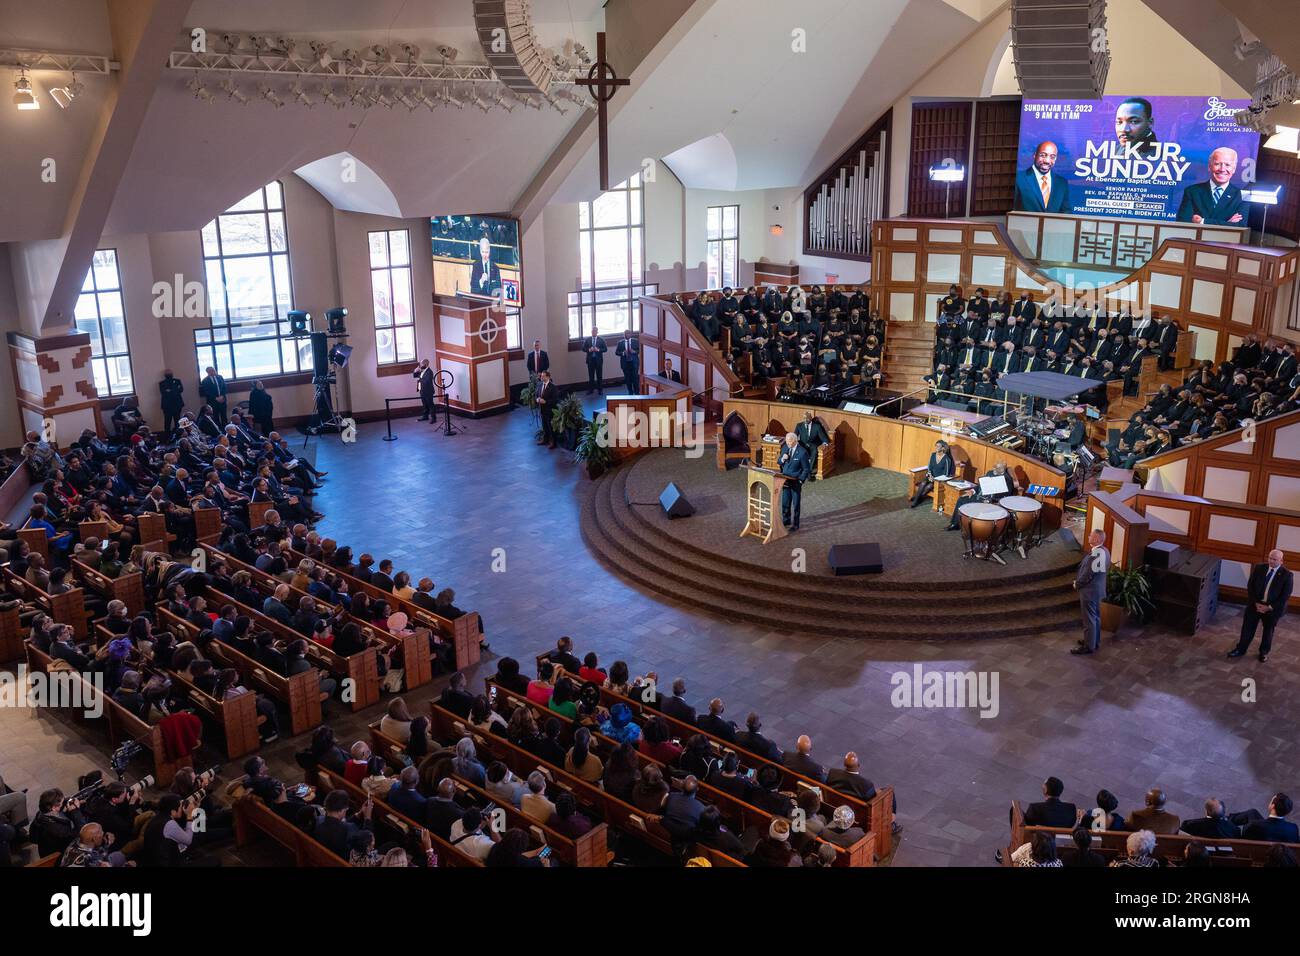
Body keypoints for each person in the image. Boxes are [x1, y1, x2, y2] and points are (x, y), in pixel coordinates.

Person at [1227, 549, 1292, 663]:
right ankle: (1241, 649)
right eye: (1270, 558)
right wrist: (1255, 603)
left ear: (1281, 561)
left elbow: (1285, 596)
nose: (1271, 561)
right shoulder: (1259, 568)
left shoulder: (1287, 575)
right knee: (1247, 629)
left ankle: (1263, 653)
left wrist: (1269, 607)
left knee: (1268, 631)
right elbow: (1250, 586)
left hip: (1272, 609)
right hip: (1255, 604)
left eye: (1274, 559)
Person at [1176, 146, 1244, 225]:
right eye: (1217, 164)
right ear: (1209, 167)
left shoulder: (1241, 195)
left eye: (1227, 165)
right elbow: (1182, 223)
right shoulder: (1192, 191)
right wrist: (1227, 223)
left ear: (1234, 169)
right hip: (1196, 237)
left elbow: (1240, 225)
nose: (1222, 169)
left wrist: (1202, 221)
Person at [1071, 528, 1109, 655]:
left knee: (1089, 619)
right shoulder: (1104, 551)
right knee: (1095, 618)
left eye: (1091, 535)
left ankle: (1089, 646)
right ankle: (1093, 641)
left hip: (1090, 591)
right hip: (1097, 591)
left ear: (1097, 539)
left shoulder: (1096, 554)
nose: (1088, 536)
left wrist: (1077, 584)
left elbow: (1088, 574)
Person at [1014, 140, 1070, 213]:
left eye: (1052, 157)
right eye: (1043, 155)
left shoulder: (1062, 183)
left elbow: (1066, 212)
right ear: (1035, 155)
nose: (1047, 161)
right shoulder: (1019, 178)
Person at [777, 431, 812, 532]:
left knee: (796, 504)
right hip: (785, 480)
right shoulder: (785, 448)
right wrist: (782, 459)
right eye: (787, 442)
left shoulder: (802, 452)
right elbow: (779, 462)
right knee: (785, 503)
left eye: (789, 442)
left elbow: (806, 469)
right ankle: (786, 520)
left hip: (796, 482)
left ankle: (796, 524)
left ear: (795, 441)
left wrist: (801, 480)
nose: (788, 444)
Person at [910, 440, 953, 508]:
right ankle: (917, 499)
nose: (936, 447)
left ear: (943, 448)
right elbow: (929, 467)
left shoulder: (947, 459)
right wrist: (930, 475)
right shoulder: (933, 455)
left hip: (938, 480)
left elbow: (946, 474)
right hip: (930, 476)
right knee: (923, 483)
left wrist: (935, 479)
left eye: (938, 446)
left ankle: (916, 499)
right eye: (935, 446)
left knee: (929, 486)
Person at [535, 371, 558, 449]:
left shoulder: (553, 387)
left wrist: (546, 402)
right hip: (542, 410)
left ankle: (553, 442)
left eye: (543, 376)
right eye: (541, 376)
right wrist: (537, 399)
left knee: (550, 427)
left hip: (550, 410)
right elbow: (537, 394)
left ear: (548, 377)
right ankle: (545, 439)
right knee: (544, 426)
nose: (541, 378)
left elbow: (555, 400)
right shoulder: (540, 385)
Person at [158, 370, 185, 436]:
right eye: (168, 373)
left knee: (177, 421)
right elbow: (164, 393)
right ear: (165, 375)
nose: (169, 374)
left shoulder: (177, 381)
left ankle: (178, 435)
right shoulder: (162, 383)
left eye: (170, 373)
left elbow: (181, 389)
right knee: (167, 422)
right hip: (167, 406)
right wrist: (175, 390)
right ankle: (167, 437)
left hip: (177, 404)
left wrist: (170, 391)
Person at [582, 327, 607, 394]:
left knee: (599, 376)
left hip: (598, 360)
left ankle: (600, 390)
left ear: (597, 332)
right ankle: (591, 390)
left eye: (595, 331)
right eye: (593, 331)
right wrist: (589, 350)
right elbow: (583, 348)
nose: (594, 332)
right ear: (591, 332)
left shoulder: (601, 340)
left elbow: (605, 349)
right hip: (590, 360)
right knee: (591, 376)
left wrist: (598, 350)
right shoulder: (588, 339)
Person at [615, 329, 640, 395]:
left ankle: (637, 392)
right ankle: (630, 392)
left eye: (629, 333)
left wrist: (634, 352)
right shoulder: (620, 343)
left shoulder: (635, 341)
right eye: (626, 334)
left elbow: (640, 350)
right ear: (624, 335)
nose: (628, 335)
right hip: (625, 363)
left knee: (635, 378)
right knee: (628, 379)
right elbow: (617, 352)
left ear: (631, 334)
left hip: (634, 363)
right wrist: (623, 353)